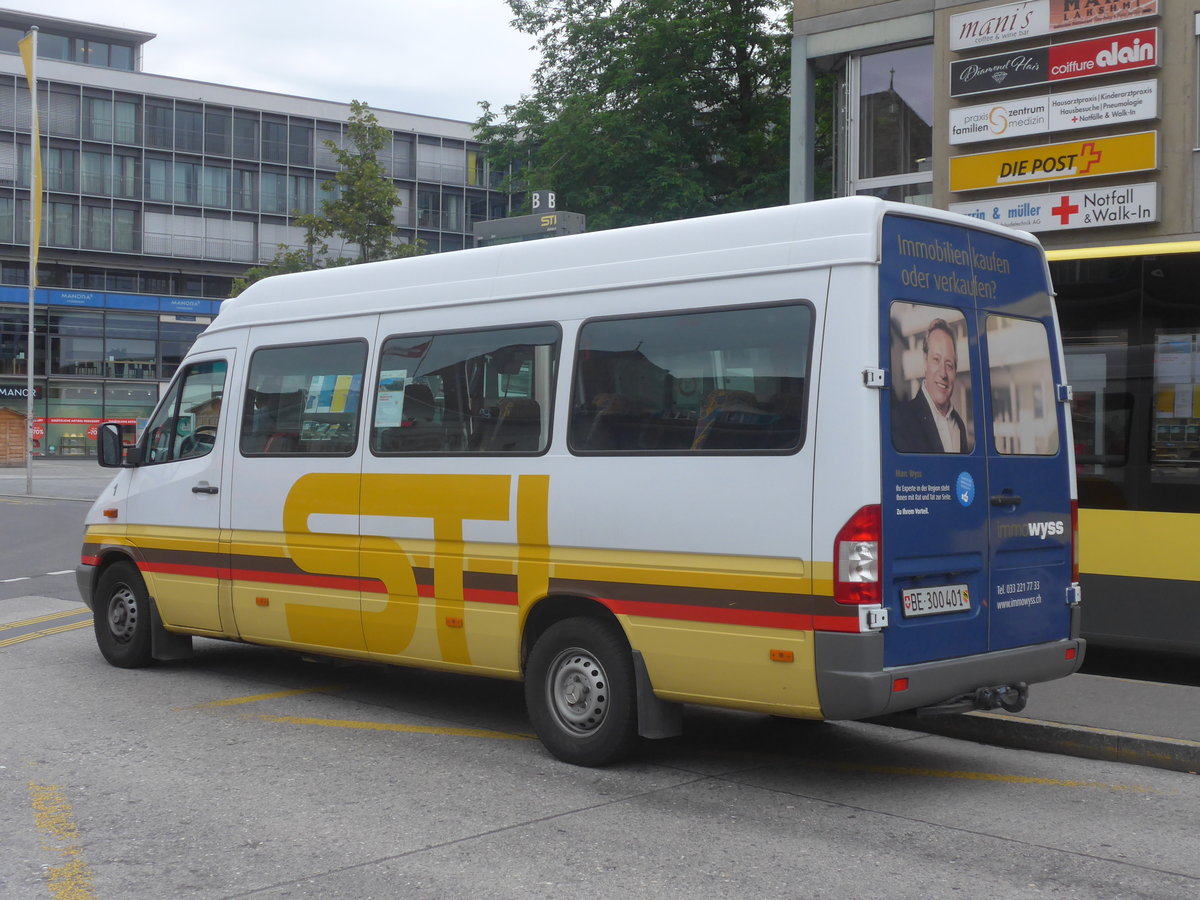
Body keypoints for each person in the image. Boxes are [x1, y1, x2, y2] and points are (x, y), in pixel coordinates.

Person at [893, 318, 969, 454]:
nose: (943, 374)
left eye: (949, 365)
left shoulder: (959, 425)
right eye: (936, 359)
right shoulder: (902, 420)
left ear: (955, 371)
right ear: (925, 362)